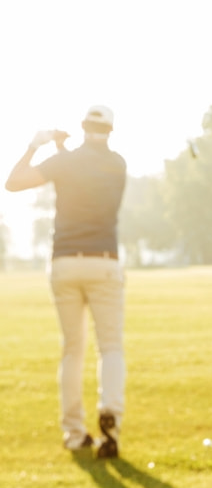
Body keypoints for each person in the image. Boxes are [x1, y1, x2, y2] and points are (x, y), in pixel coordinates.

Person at [5, 105, 127, 457]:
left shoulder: (66, 161)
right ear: (110, 130)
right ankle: (111, 425)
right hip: (104, 263)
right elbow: (85, 178)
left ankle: (74, 433)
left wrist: (36, 145)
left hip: (65, 264)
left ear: (83, 126)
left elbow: (14, 182)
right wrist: (62, 151)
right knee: (111, 348)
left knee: (73, 350)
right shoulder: (117, 164)